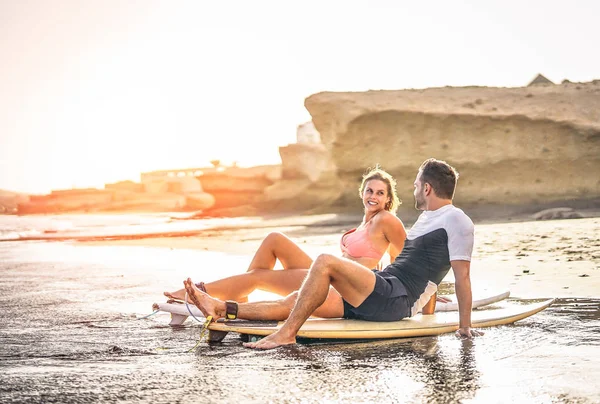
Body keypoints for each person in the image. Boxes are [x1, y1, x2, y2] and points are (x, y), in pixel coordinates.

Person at [183, 158, 482, 349]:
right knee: (297, 300)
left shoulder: (457, 220)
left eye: (416, 185)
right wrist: (427, 312)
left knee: (325, 261)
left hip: (393, 298)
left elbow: (462, 276)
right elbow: (422, 270)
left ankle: (287, 333)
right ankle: (223, 308)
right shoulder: (429, 219)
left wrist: (464, 326)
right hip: (382, 290)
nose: (414, 189)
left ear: (427, 188)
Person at [165, 166, 407, 303]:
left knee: (258, 277)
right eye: (369, 190)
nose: (373, 196)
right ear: (362, 192)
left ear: (388, 198)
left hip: (339, 287)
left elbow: (405, 257)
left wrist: (406, 292)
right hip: (329, 272)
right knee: (274, 239)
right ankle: (237, 295)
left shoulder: (386, 220)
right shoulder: (366, 222)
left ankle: (198, 292)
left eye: (379, 193)